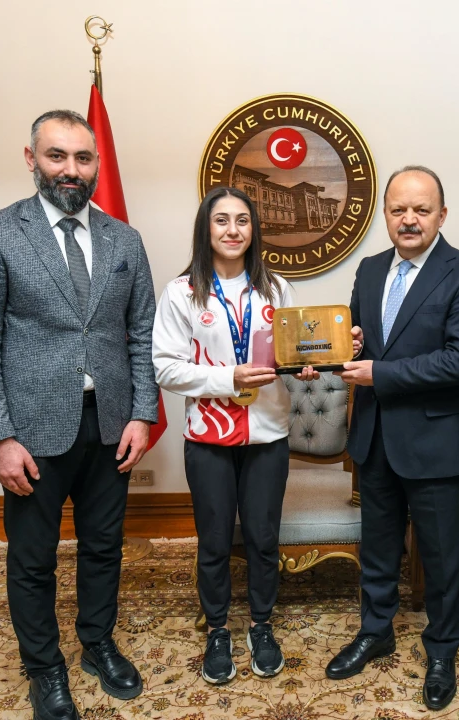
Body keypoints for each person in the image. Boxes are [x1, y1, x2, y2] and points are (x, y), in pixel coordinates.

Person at [0, 110, 157, 720]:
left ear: (96, 165)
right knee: (33, 558)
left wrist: (142, 413)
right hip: (32, 431)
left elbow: (142, 334)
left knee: (104, 547)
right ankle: (44, 667)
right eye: (57, 155)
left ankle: (97, 642)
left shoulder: (125, 239)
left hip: (111, 424)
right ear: (31, 158)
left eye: (83, 158)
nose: (71, 169)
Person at [326, 166, 459, 711]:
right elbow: (361, 339)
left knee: (441, 560)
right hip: (375, 438)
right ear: (386, 215)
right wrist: (348, 344)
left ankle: (442, 651)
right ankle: (375, 632)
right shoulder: (371, 269)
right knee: (377, 549)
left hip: (438, 443)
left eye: (421, 209)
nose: (409, 219)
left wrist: (379, 373)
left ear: (442, 215)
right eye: (398, 209)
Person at [152, 187, 317, 685]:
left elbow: (293, 351)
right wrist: (230, 378)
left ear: (254, 230)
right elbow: (165, 367)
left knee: (264, 539)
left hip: (267, 435)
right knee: (215, 541)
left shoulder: (277, 288)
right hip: (208, 437)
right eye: (221, 220)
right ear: (206, 229)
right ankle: (218, 630)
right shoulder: (181, 292)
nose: (232, 229)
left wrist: (306, 364)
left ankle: (262, 626)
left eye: (242, 220)